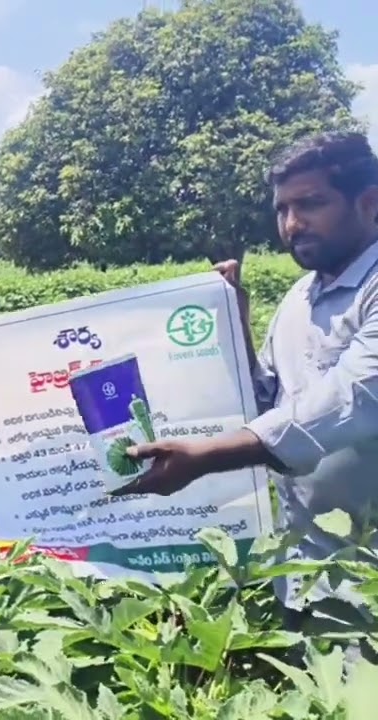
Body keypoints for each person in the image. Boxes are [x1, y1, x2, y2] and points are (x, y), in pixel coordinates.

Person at [113, 130, 378, 664]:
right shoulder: (300, 297)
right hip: (303, 572)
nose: (292, 224)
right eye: (282, 209)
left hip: (366, 582)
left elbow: (351, 398)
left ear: (369, 203)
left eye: (311, 204)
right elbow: (270, 401)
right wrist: (233, 327)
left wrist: (206, 456)